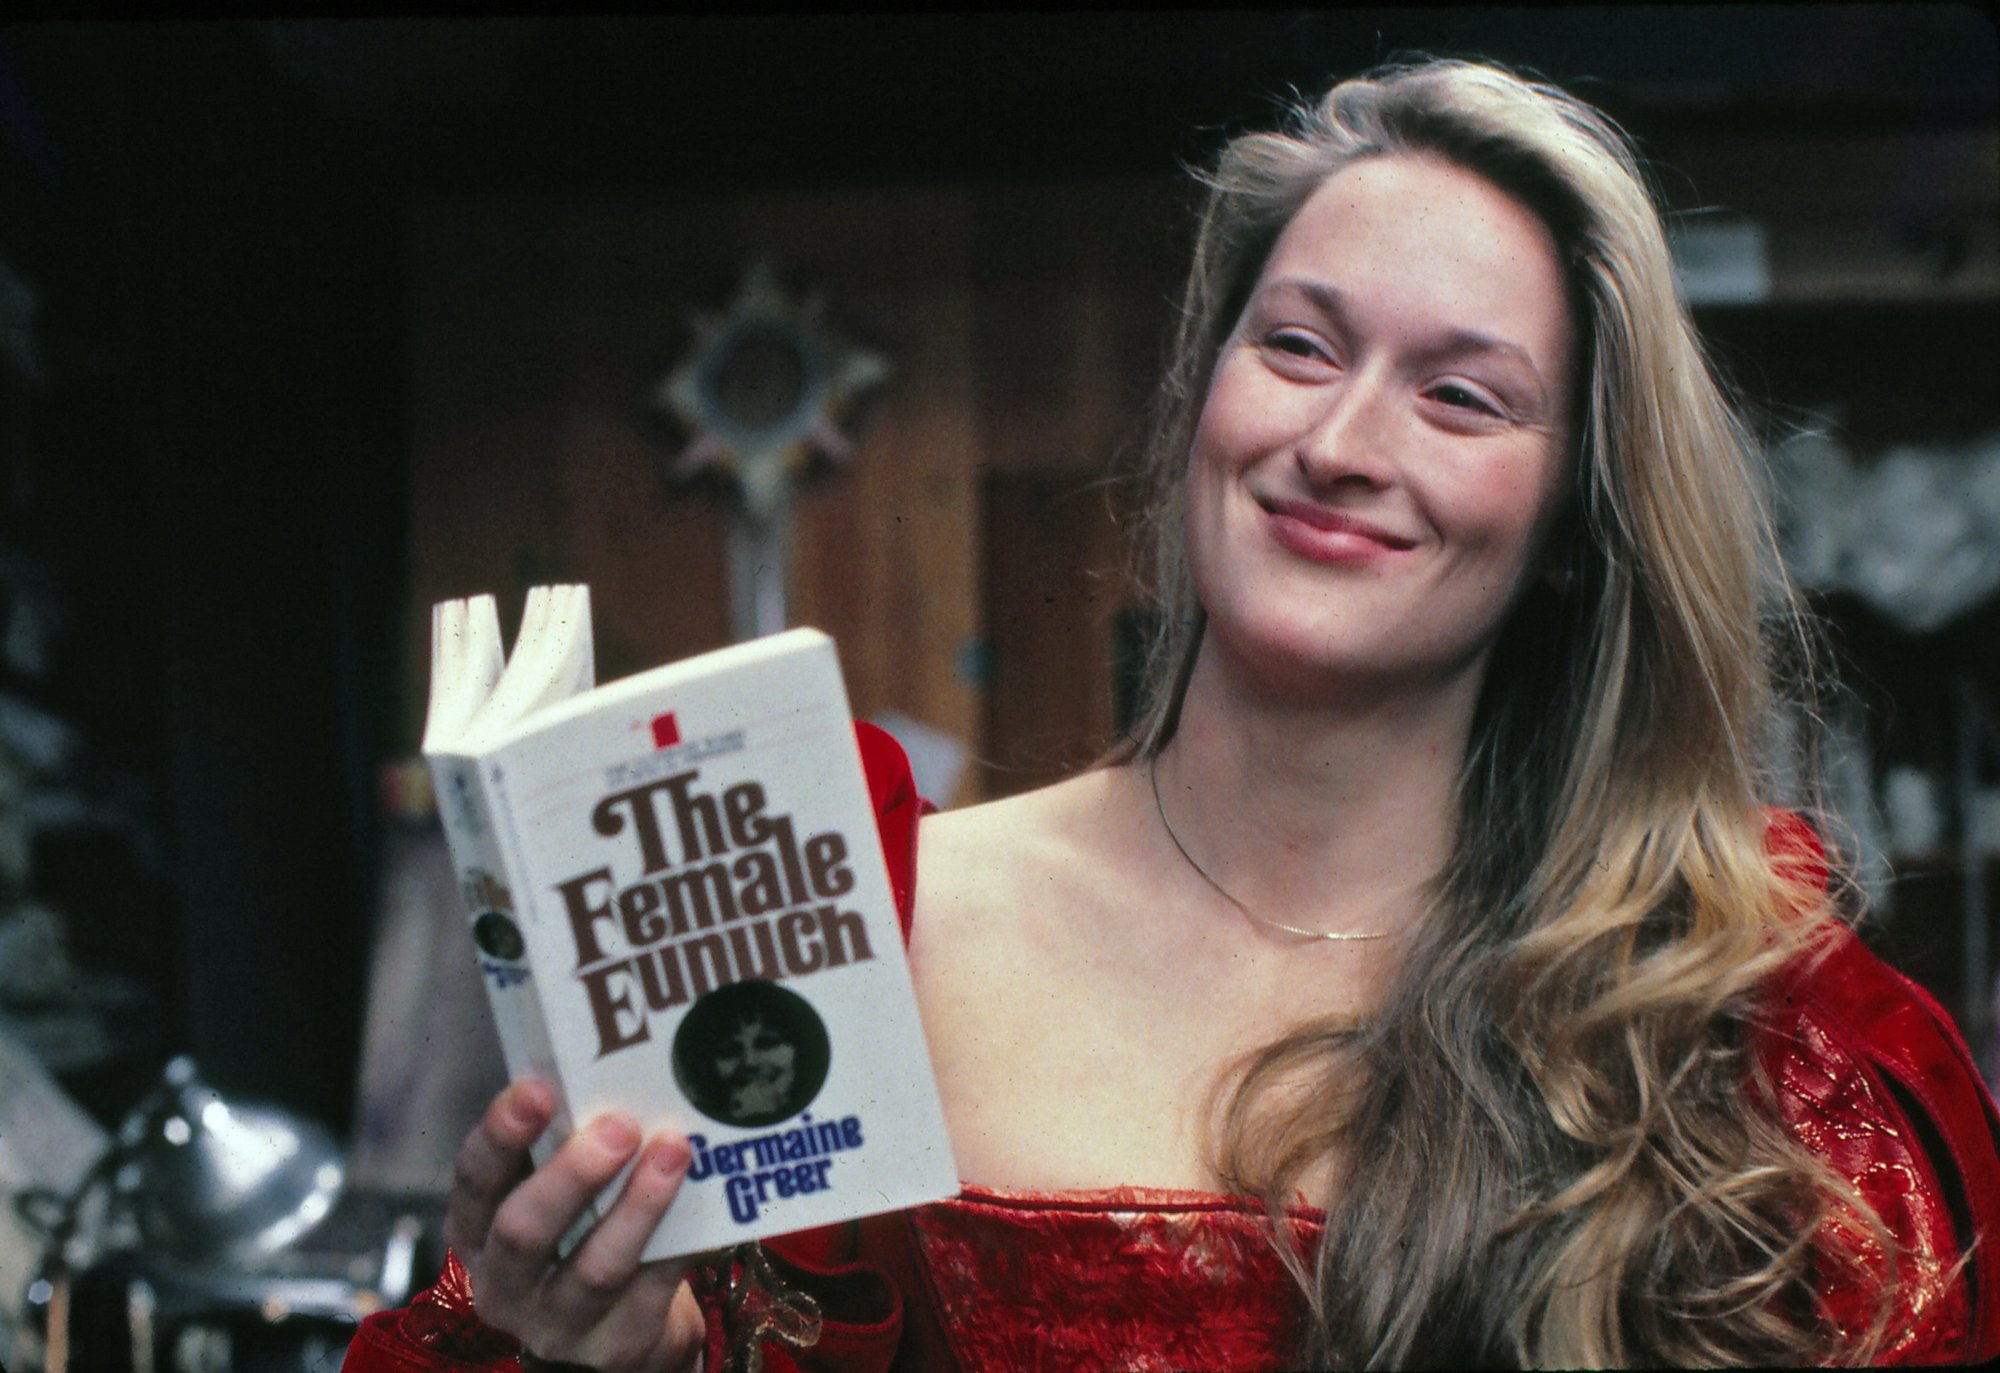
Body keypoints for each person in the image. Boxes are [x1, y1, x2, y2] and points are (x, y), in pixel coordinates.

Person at [346, 58, 2000, 1371]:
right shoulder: (856, 921)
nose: (1344, 439)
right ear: (1203, 392)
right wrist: (605, 1356)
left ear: (1577, 524)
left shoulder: (1755, 1031)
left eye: (1460, 394)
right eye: (1298, 343)